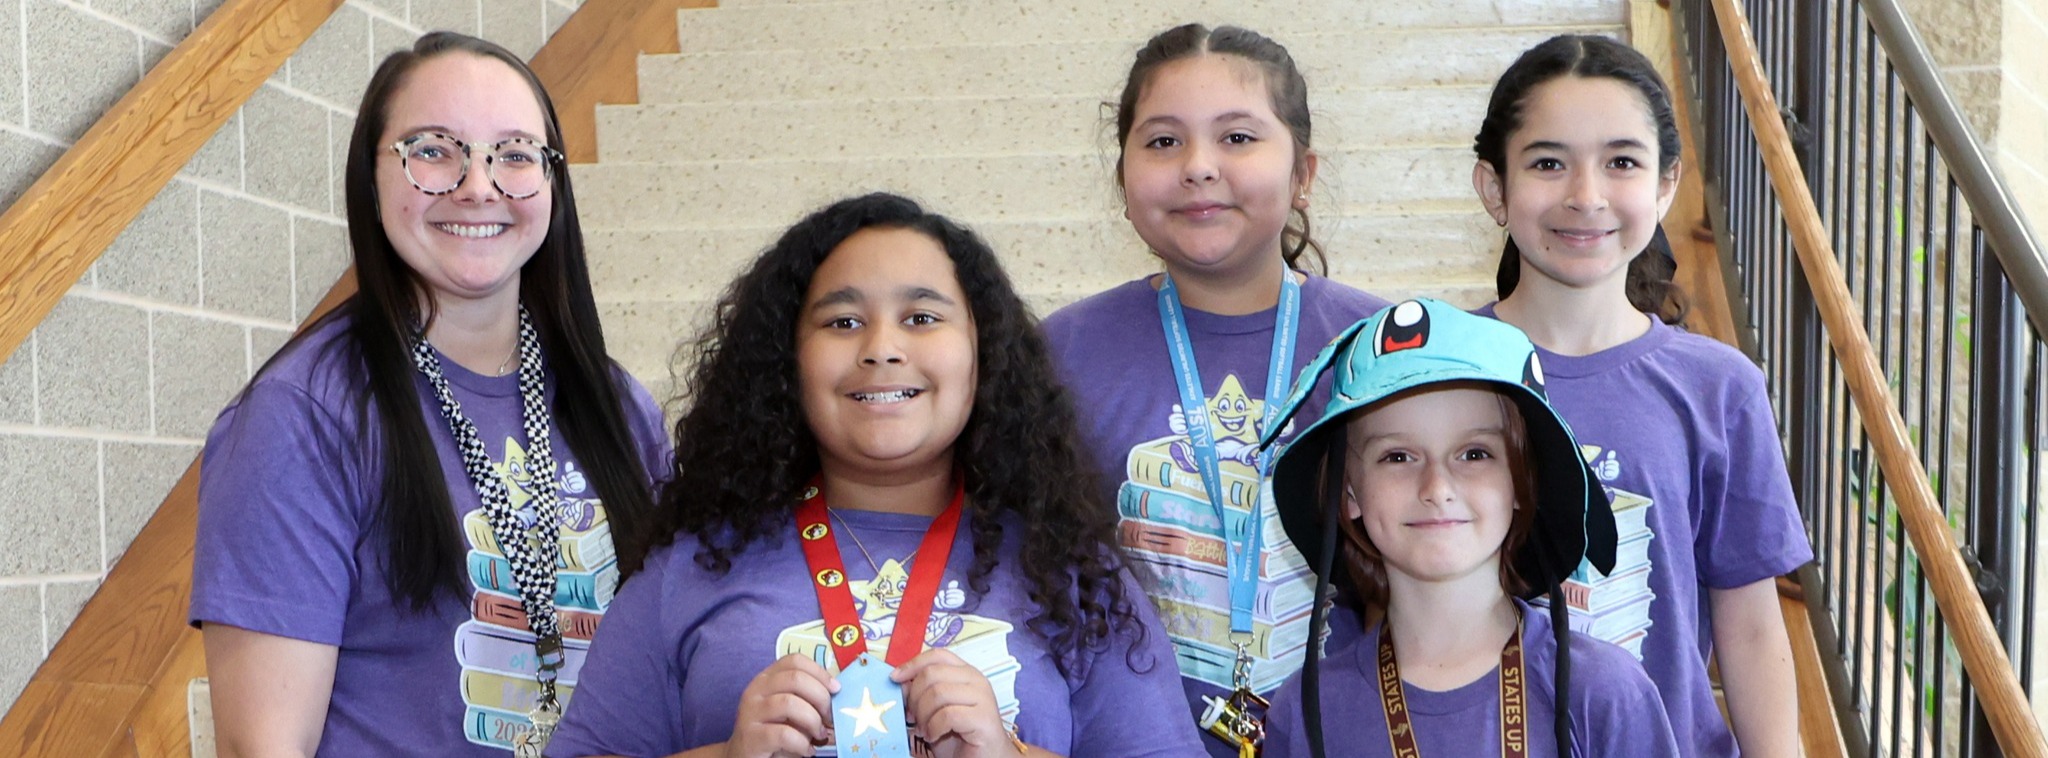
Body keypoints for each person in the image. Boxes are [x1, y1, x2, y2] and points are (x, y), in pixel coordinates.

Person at [544, 193, 1203, 758]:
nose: (882, 348)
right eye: (843, 321)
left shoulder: (1072, 570)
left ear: (983, 353)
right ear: (788, 361)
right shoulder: (691, 565)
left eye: (921, 318)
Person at [190, 32, 669, 757]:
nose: (479, 186)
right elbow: (264, 748)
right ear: (370, 177)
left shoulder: (620, 410)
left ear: (552, 182)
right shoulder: (301, 417)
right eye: (434, 150)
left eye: (514, 154)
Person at [1039, 24, 1389, 756]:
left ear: (1303, 172)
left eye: (1237, 138)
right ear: (1122, 171)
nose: (1198, 167)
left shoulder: (1383, 348)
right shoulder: (1056, 356)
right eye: (1163, 142)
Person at [1469, 34, 1813, 755]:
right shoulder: (1433, 370)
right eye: (1548, 162)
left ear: (1665, 186)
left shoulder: (1720, 387)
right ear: (1495, 188)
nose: (1585, 195)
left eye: (1621, 162)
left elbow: (1750, 622)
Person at [1258, 298, 1680, 757]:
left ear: (1522, 481)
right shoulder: (1309, 712)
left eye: (1474, 454)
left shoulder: (1604, 696)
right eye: (1397, 457)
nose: (1437, 487)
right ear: (1350, 493)